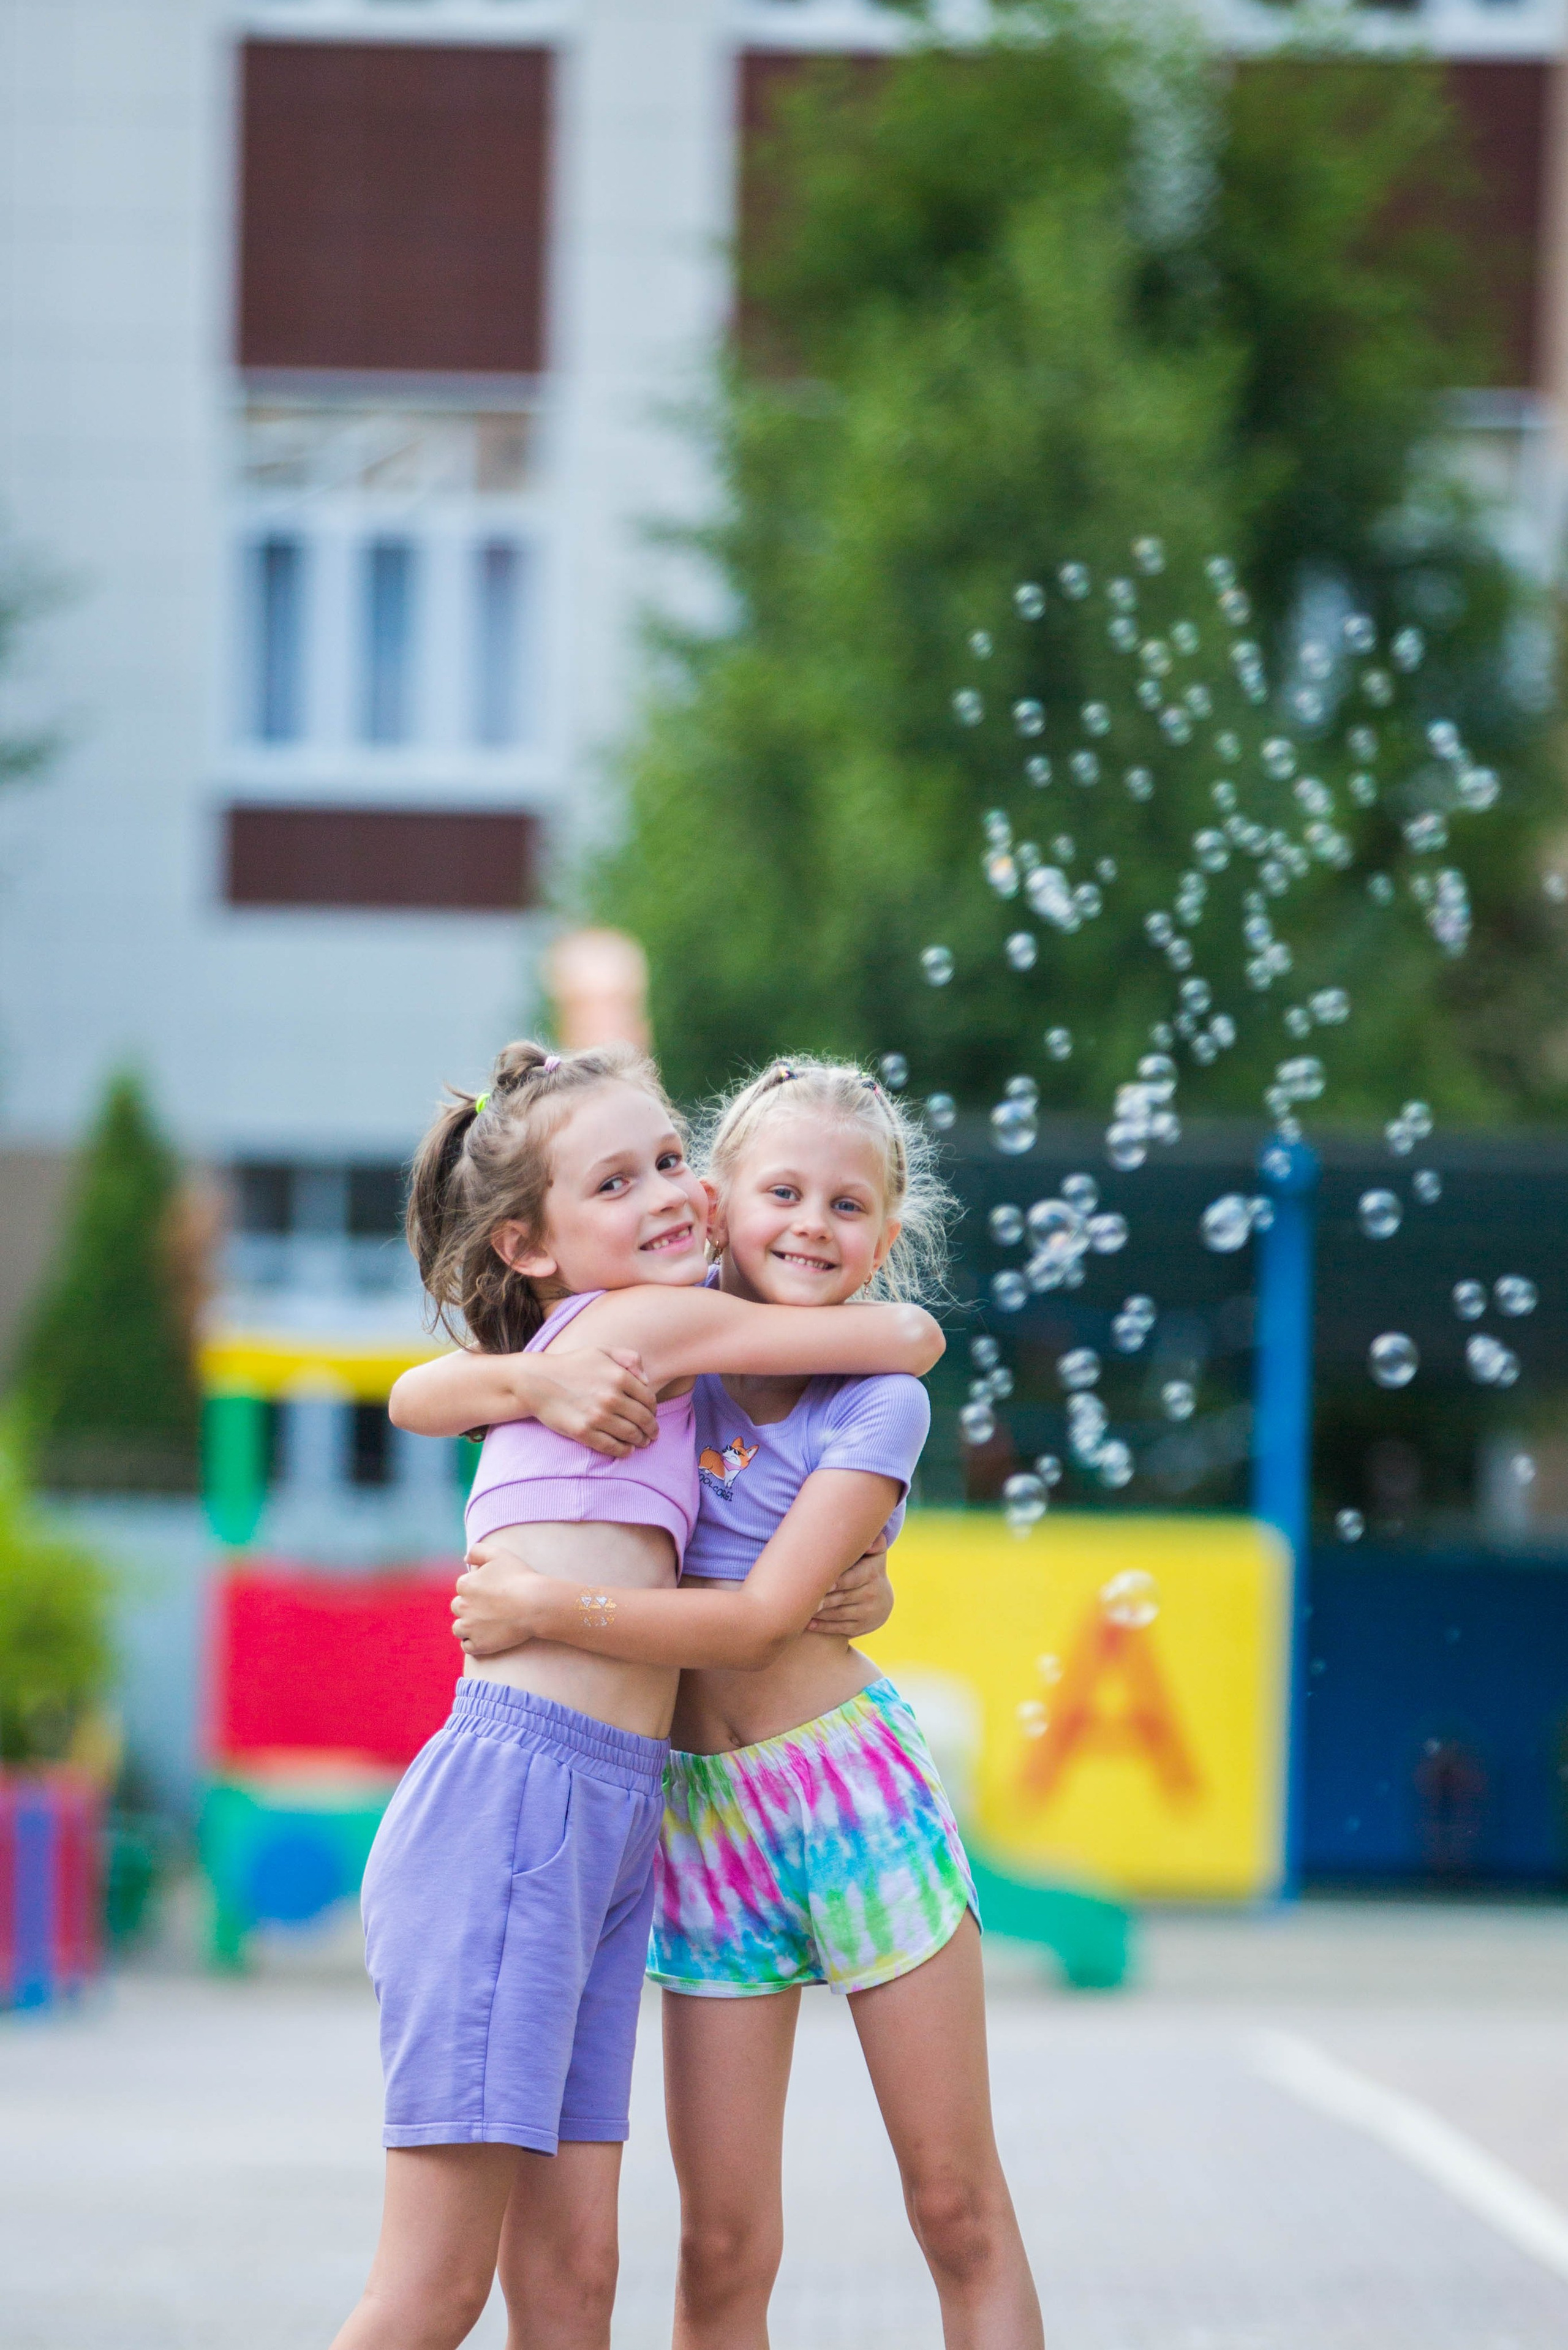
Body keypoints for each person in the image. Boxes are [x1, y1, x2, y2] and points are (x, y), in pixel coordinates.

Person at [331, 1038, 942, 2350]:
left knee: (572, 2282)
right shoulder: (650, 1326)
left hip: (611, 1813)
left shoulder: (628, 1338)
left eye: (670, 1160)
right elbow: (908, 1332)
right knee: (433, 2290)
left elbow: (425, 1390)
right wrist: (530, 1374)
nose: (666, 1192)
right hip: (517, 1799)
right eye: (617, 1181)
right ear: (527, 1243)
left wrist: (522, 1375)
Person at [443, 1056, 1044, 2350]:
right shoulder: (660, 1336)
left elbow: (765, 1618)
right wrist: (531, 1384)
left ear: (886, 1232)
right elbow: (423, 1390)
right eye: (782, 1191)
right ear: (717, 1199)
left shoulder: (877, 1398)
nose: (810, 1225)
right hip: (698, 1818)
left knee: (953, 2206)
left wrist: (546, 1605)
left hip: (850, 1796)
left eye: (847, 1205)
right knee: (719, 2244)